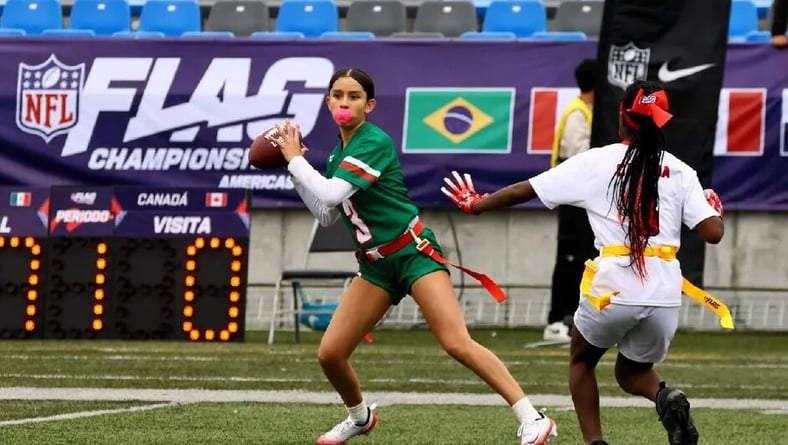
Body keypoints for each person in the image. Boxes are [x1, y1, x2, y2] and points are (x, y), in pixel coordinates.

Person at [272, 67, 557, 445]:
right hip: (375, 264)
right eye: (338, 95)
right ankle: (360, 417)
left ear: (369, 105)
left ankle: (533, 417)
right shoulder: (339, 154)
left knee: (456, 341)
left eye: (354, 96)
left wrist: (294, 160)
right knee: (330, 354)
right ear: (328, 102)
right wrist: (295, 171)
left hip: (412, 252)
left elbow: (328, 195)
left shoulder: (372, 141)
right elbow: (326, 214)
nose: (344, 102)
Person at [442, 80, 726, 445]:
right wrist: (714, 209)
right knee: (632, 372)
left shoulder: (596, 161)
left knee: (581, 362)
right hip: (665, 293)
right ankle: (665, 397)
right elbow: (712, 233)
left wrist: (476, 204)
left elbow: (525, 190)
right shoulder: (681, 170)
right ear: (660, 122)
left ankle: (595, 442)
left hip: (613, 286)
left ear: (622, 118)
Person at [544, 58, 599, 343]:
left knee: (584, 258)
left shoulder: (587, 111)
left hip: (582, 197)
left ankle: (575, 319)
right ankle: (556, 321)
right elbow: (580, 157)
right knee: (568, 258)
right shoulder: (578, 114)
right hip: (571, 196)